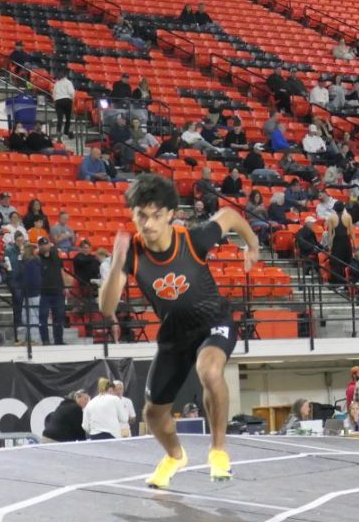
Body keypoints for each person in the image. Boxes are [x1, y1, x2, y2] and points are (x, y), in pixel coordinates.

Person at [99, 172, 259, 488]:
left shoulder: (192, 239)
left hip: (213, 322)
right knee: (154, 415)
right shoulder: (130, 252)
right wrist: (116, 265)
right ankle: (175, 456)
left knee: (209, 371)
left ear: (170, 214)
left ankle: (218, 450)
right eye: (141, 216)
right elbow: (106, 308)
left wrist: (251, 245)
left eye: (156, 215)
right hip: (174, 336)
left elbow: (228, 216)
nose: (147, 223)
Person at [37, 237, 66, 345]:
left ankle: (59, 340)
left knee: (59, 317)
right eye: (43, 244)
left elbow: (61, 271)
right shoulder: (37, 259)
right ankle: (45, 341)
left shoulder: (56, 256)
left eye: (46, 244)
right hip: (43, 293)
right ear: (39, 246)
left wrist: (65, 286)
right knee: (43, 318)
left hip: (58, 291)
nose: (45, 246)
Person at [53, 69, 76, 138]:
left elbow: (54, 94)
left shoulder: (57, 83)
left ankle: (58, 132)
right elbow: (72, 92)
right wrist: (72, 99)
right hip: (67, 101)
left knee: (59, 118)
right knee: (68, 118)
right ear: (66, 75)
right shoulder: (68, 82)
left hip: (58, 101)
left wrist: (55, 100)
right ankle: (65, 133)